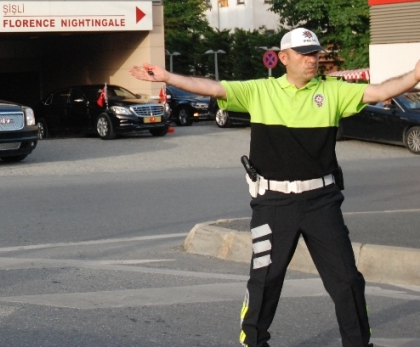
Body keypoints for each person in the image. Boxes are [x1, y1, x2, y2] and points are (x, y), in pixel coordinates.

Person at [130, 28, 420, 347]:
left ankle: (358, 343)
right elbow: (212, 87)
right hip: (273, 202)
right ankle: (254, 340)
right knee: (266, 279)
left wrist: (416, 73)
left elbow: (380, 91)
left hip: (321, 202)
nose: (312, 60)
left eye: (315, 53)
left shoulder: (334, 91)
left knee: (347, 280)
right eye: (304, 53)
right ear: (284, 58)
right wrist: (167, 76)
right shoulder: (260, 91)